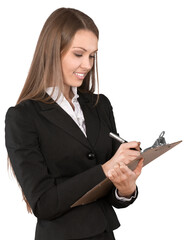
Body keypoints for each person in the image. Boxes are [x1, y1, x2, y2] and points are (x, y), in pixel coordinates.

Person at [5, 7, 143, 240]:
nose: (88, 65)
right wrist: (105, 169)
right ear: (52, 52)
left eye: (92, 55)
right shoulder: (23, 117)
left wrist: (125, 189)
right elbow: (43, 202)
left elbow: (108, 190)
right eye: (79, 54)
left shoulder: (100, 105)